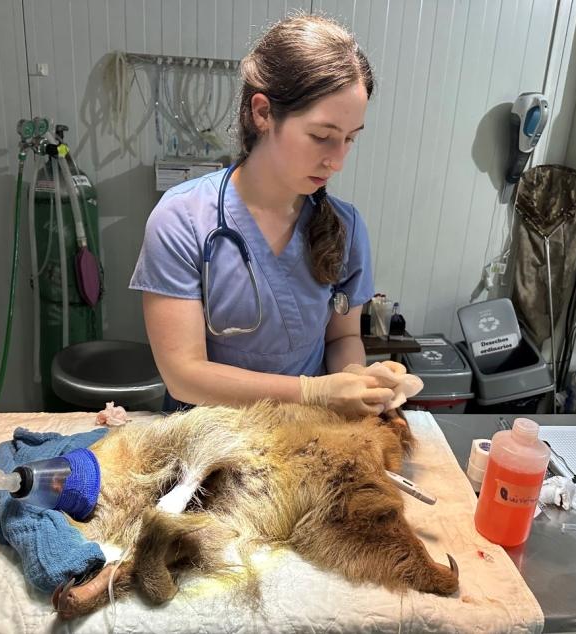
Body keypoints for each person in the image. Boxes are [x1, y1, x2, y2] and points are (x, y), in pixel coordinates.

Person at [130, 14, 407, 418]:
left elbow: (342, 337)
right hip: (208, 441)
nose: (337, 161)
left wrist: (357, 381)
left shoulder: (344, 227)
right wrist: (315, 392)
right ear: (262, 112)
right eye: (321, 136)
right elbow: (183, 375)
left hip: (309, 438)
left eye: (350, 139)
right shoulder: (182, 219)